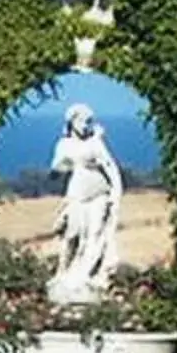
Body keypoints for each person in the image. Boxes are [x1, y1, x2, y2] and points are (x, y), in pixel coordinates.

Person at [47, 103, 122, 305]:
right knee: (72, 234)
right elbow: (55, 168)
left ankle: (85, 276)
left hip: (99, 194)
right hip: (78, 194)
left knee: (95, 234)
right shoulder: (65, 144)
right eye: (82, 121)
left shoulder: (96, 143)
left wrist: (115, 195)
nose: (86, 125)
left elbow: (111, 168)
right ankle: (62, 272)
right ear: (72, 121)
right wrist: (62, 166)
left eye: (89, 121)